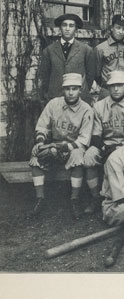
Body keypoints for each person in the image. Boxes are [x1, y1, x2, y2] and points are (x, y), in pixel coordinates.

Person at [29, 73, 94, 219]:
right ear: (63, 90)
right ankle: (40, 199)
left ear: (80, 90)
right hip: (54, 143)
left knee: (78, 155)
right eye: (67, 89)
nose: (71, 92)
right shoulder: (54, 104)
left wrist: (61, 148)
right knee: (36, 154)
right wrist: (40, 142)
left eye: (74, 89)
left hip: (74, 147)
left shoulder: (86, 109)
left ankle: (74, 200)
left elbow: (84, 140)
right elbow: (42, 126)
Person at [83, 71, 124, 213]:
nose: (116, 89)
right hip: (106, 145)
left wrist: (122, 147)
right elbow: (96, 134)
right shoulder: (99, 106)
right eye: (112, 86)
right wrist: (103, 147)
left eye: (119, 85)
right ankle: (95, 197)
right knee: (89, 155)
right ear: (108, 87)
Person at [39, 14, 96, 104]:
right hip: (56, 98)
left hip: (79, 99)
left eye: (71, 25)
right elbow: (45, 77)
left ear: (76, 29)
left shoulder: (86, 50)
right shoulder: (49, 51)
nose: (67, 28)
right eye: (64, 25)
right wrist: (49, 94)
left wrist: (82, 91)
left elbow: (90, 76)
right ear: (60, 28)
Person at [94, 15, 124, 100]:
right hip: (108, 90)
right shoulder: (101, 48)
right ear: (112, 28)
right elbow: (97, 73)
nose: (121, 31)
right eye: (118, 28)